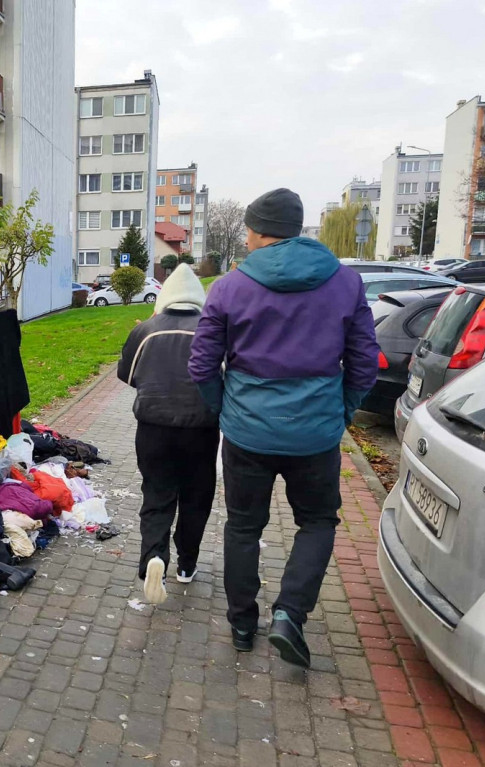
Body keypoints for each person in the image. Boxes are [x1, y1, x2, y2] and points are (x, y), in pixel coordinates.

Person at [188, 188, 378, 667]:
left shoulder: (229, 287)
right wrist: (343, 412)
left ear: (256, 231)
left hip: (248, 432)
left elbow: (202, 366)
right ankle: (290, 614)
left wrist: (225, 409)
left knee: (244, 525)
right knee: (317, 521)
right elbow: (362, 363)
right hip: (315, 432)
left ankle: (240, 623)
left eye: (249, 231)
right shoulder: (346, 282)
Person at [118, 264, 220, 605]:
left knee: (157, 495)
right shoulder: (213, 333)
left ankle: (153, 557)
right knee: (196, 499)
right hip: (201, 431)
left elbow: (127, 375)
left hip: (153, 431)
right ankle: (187, 565)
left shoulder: (146, 330)